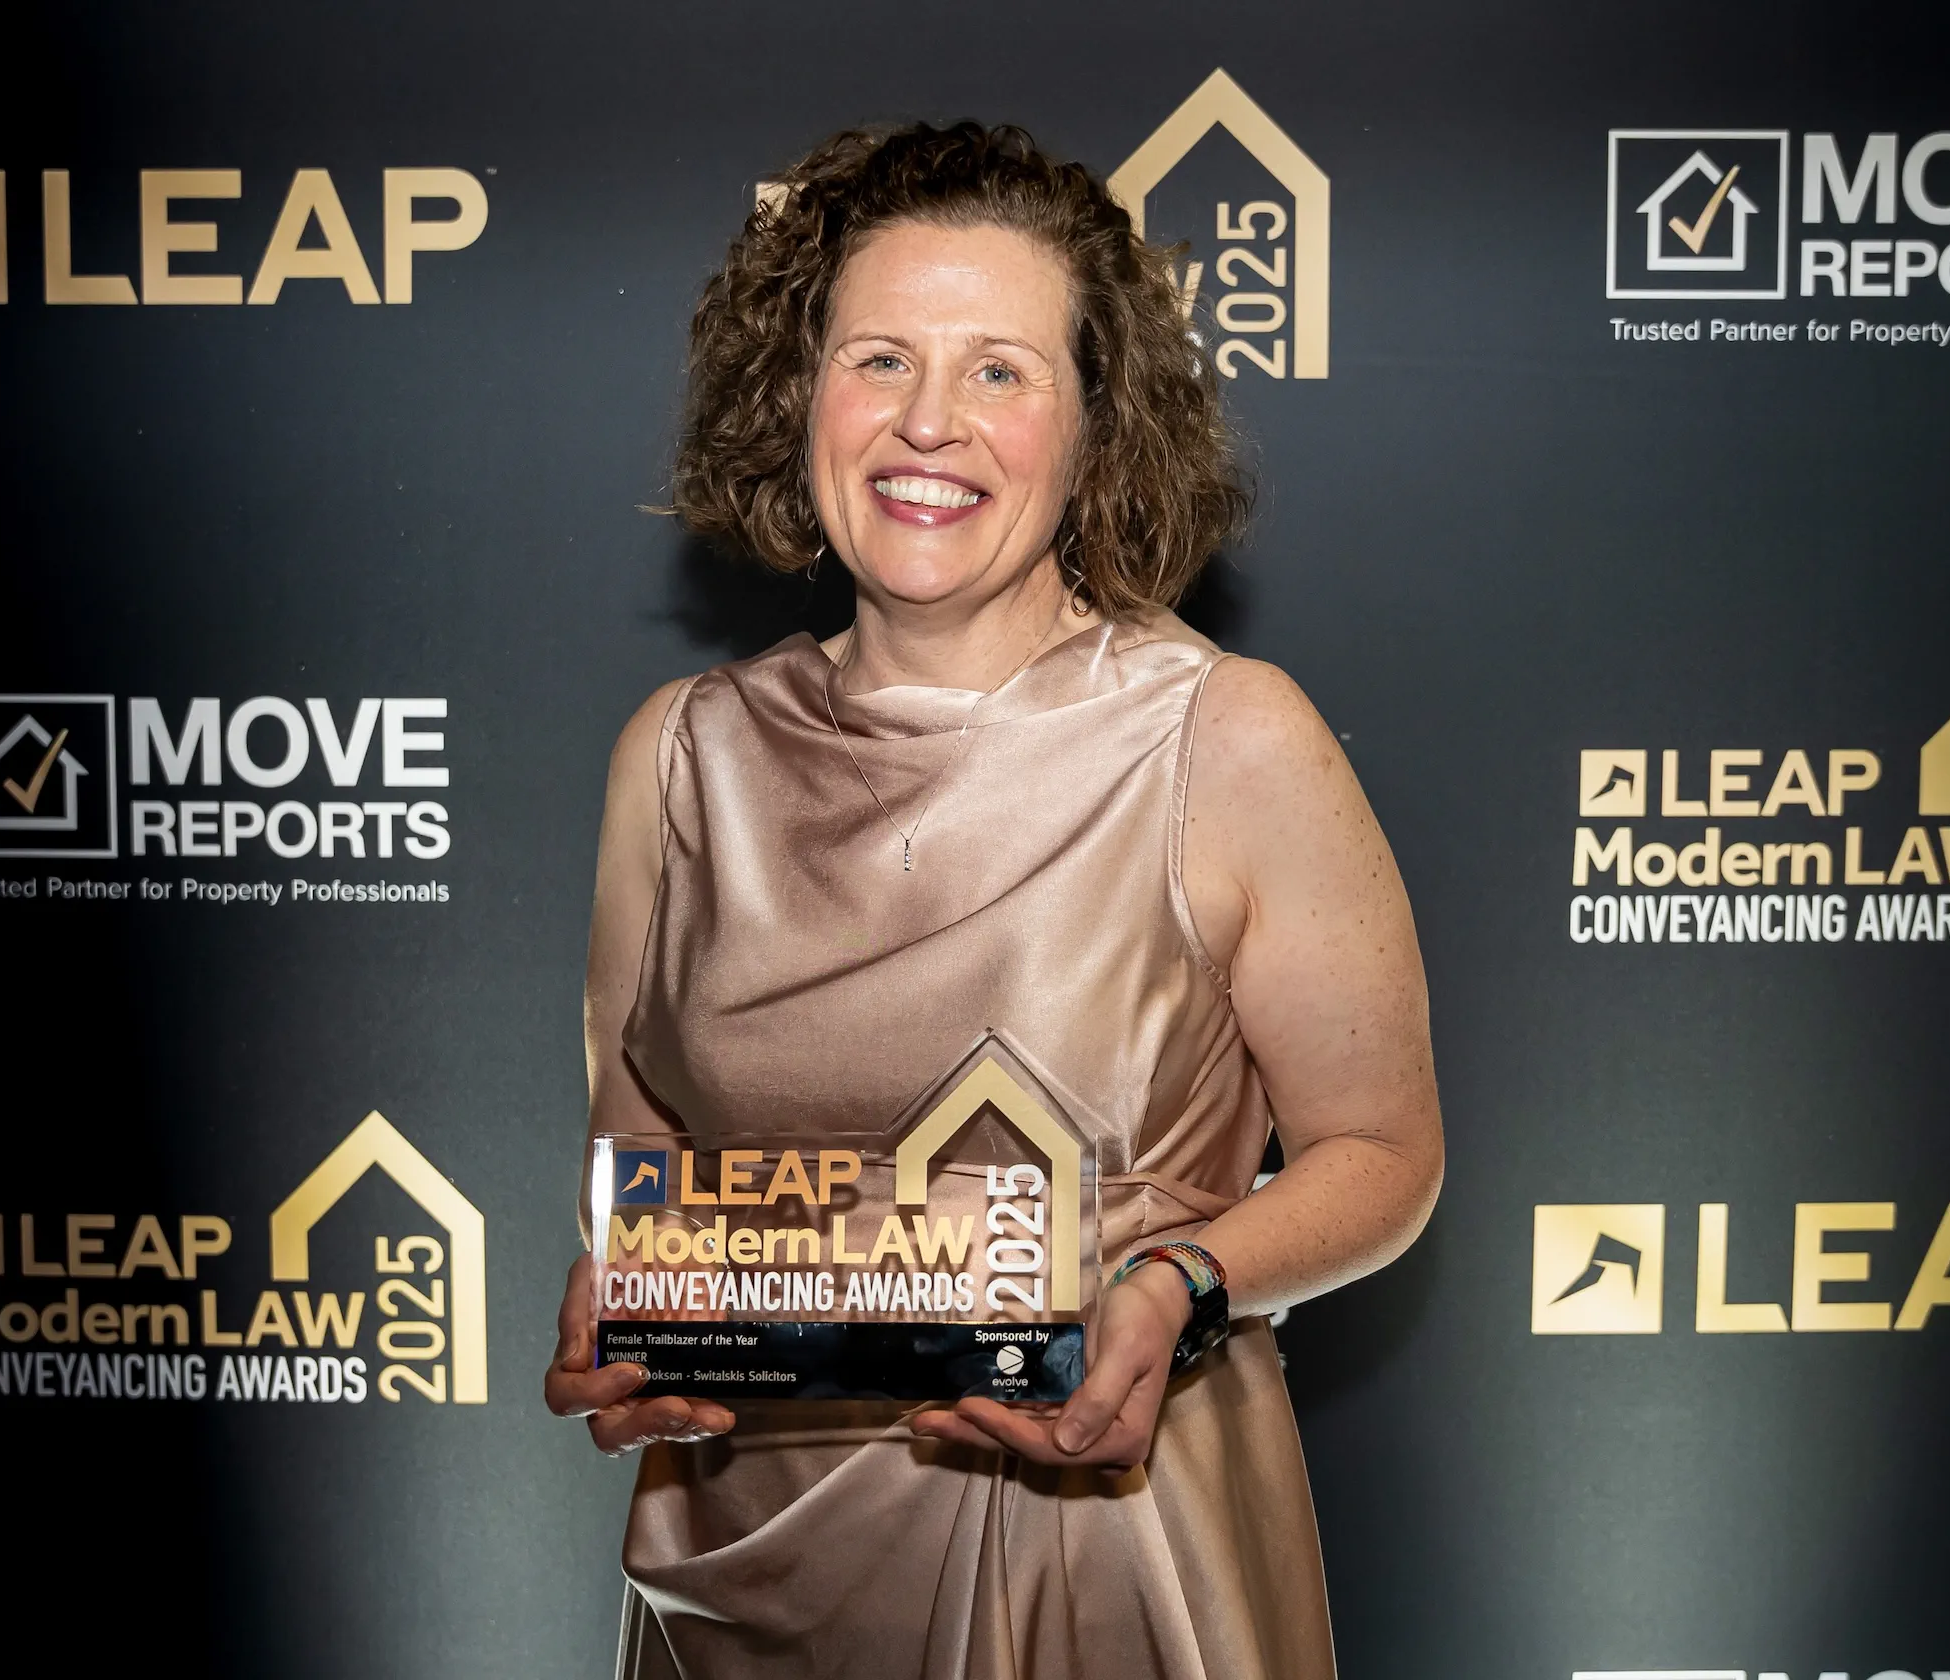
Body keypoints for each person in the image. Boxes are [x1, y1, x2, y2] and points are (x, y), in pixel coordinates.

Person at [546, 121, 1444, 1680]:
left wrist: (1183, 1284)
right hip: (750, 1560)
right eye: (878, 359)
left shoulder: (1223, 736)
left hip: (1111, 1540)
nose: (928, 425)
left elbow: (1384, 1155)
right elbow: (641, 1146)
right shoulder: (678, 760)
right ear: (799, 394)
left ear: (1098, 425)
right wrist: (624, 1300)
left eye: (1001, 371)